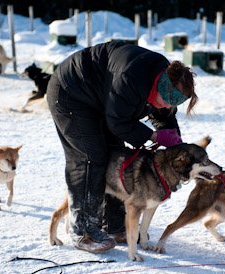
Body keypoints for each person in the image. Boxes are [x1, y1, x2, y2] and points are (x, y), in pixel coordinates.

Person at [46, 41, 198, 253]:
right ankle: (83, 230)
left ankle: (116, 226)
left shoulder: (165, 79)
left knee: (115, 156)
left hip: (102, 102)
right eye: (168, 100)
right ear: (160, 86)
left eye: (176, 103)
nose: (169, 106)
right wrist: (153, 135)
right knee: (91, 157)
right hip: (71, 94)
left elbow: (164, 116)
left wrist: (175, 142)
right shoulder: (131, 78)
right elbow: (118, 122)